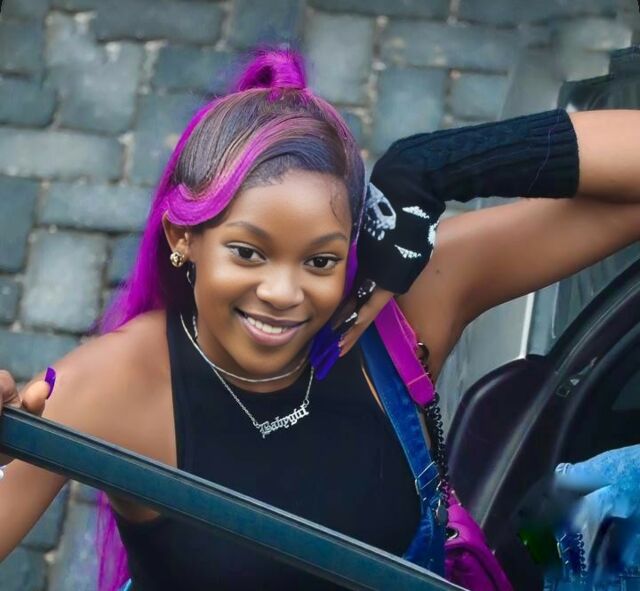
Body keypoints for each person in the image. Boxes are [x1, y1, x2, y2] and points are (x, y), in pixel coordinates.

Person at [0, 48, 639, 591]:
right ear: (182, 238)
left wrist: (440, 163)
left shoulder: (397, 311)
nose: (283, 293)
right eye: (247, 252)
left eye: (320, 260)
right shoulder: (112, 387)